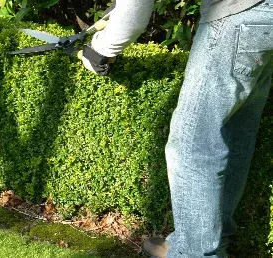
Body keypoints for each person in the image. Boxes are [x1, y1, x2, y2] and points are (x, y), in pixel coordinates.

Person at [80, 0, 273, 257]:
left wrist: (101, 49)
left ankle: (194, 252)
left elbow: (136, 9)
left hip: (240, 12)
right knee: (236, 129)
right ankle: (209, 238)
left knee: (192, 145)